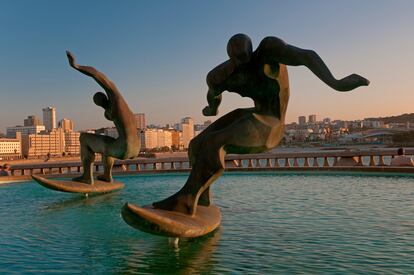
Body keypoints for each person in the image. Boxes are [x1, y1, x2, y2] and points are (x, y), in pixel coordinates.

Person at [154, 34, 369, 215]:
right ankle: (202, 198)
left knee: (214, 142)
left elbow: (306, 56)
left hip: (271, 125)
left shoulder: (269, 50)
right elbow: (213, 92)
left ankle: (186, 200)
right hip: (253, 115)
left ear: (252, 52)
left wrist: (336, 83)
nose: (242, 65)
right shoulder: (223, 74)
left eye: (246, 59)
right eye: (238, 61)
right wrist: (212, 108)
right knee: (196, 145)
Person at [66, 51, 141, 184]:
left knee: (84, 138)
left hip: (124, 148)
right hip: (136, 148)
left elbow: (97, 74)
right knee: (106, 143)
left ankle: (87, 177)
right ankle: (107, 176)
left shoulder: (115, 96)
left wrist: (76, 66)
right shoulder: (125, 109)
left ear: (105, 98)